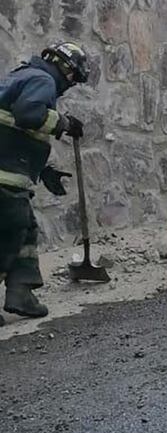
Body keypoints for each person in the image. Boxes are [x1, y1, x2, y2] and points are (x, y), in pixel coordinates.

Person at [0, 42, 88, 324]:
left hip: (11, 175)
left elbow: (15, 131)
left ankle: (21, 292)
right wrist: (63, 123)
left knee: (25, 230)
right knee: (8, 234)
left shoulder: (21, 76)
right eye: (74, 77)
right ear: (66, 68)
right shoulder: (42, 80)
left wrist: (45, 171)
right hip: (4, 180)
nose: (70, 84)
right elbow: (28, 115)